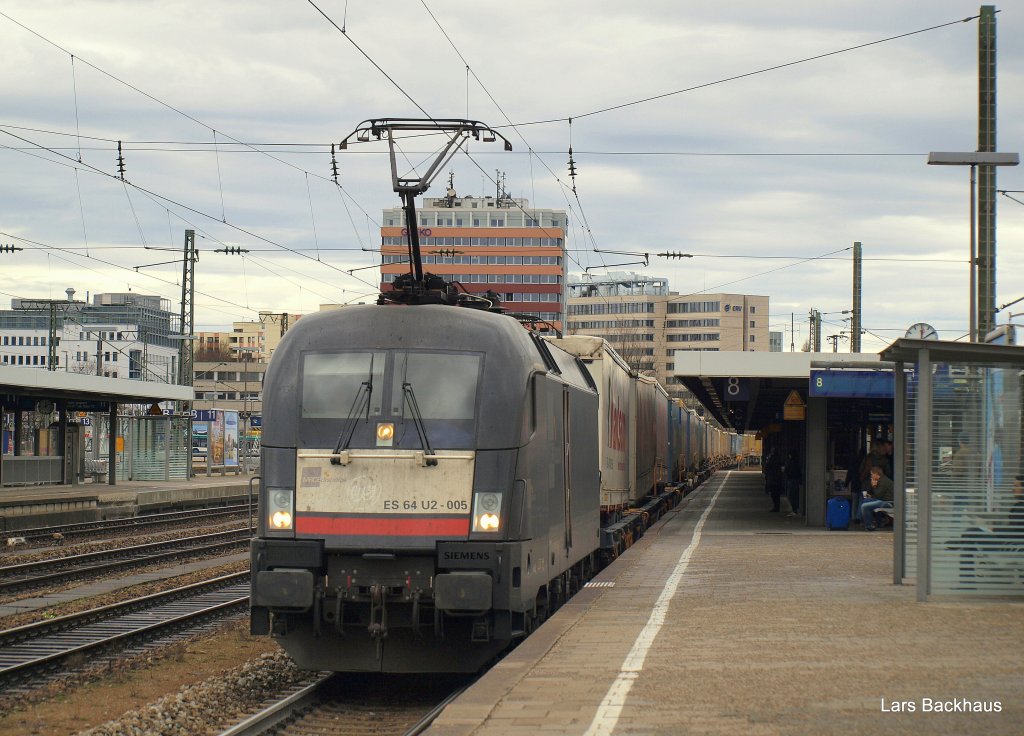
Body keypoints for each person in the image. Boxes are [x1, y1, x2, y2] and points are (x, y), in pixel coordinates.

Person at [860, 464, 894, 531]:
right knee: (866, 500)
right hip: (883, 500)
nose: (871, 476)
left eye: (872, 474)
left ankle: (869, 525)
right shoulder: (881, 480)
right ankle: (870, 522)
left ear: (876, 474)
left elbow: (878, 496)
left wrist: (874, 486)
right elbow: (878, 496)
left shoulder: (884, 481)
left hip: (888, 502)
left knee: (864, 506)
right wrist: (871, 496)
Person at [784, 449, 802, 517]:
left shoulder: (791, 462)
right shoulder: (797, 462)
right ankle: (795, 510)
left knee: (791, 495)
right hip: (795, 480)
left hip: (792, 480)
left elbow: (790, 471)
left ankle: (794, 510)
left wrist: (785, 470)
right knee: (794, 495)